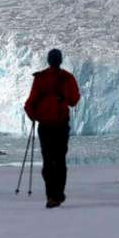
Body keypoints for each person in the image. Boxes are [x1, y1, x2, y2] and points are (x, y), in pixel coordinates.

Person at [24, 49, 80, 208]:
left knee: (48, 160)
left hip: (45, 125)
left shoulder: (40, 78)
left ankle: (51, 196)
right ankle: (59, 193)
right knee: (60, 159)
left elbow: (30, 103)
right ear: (60, 60)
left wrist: (34, 116)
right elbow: (74, 101)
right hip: (61, 124)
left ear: (49, 60)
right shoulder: (67, 78)